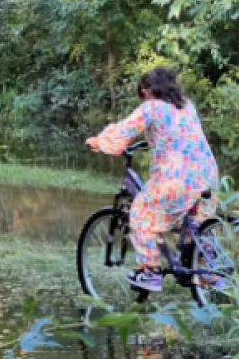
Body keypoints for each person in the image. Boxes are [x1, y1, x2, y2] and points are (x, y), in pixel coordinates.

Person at [85, 66, 220, 291]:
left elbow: (124, 130)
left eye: (143, 92)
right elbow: (176, 135)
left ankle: (150, 271)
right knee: (196, 225)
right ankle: (208, 270)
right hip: (207, 176)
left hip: (176, 180)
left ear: (149, 90)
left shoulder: (152, 108)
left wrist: (99, 142)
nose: (143, 97)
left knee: (141, 213)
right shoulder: (187, 106)